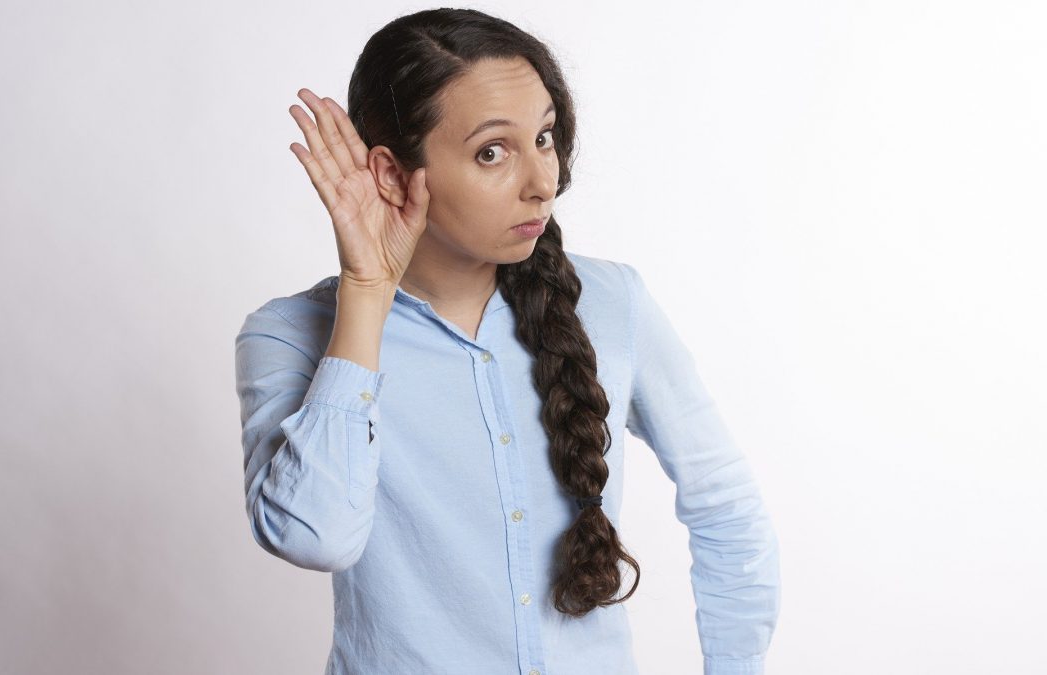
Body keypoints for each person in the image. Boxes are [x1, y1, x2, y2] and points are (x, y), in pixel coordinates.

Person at [234, 8, 780, 675]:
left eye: (544, 137)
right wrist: (367, 290)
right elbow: (316, 534)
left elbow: (724, 501)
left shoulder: (614, 304)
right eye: (492, 151)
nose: (541, 181)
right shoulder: (287, 335)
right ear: (389, 172)